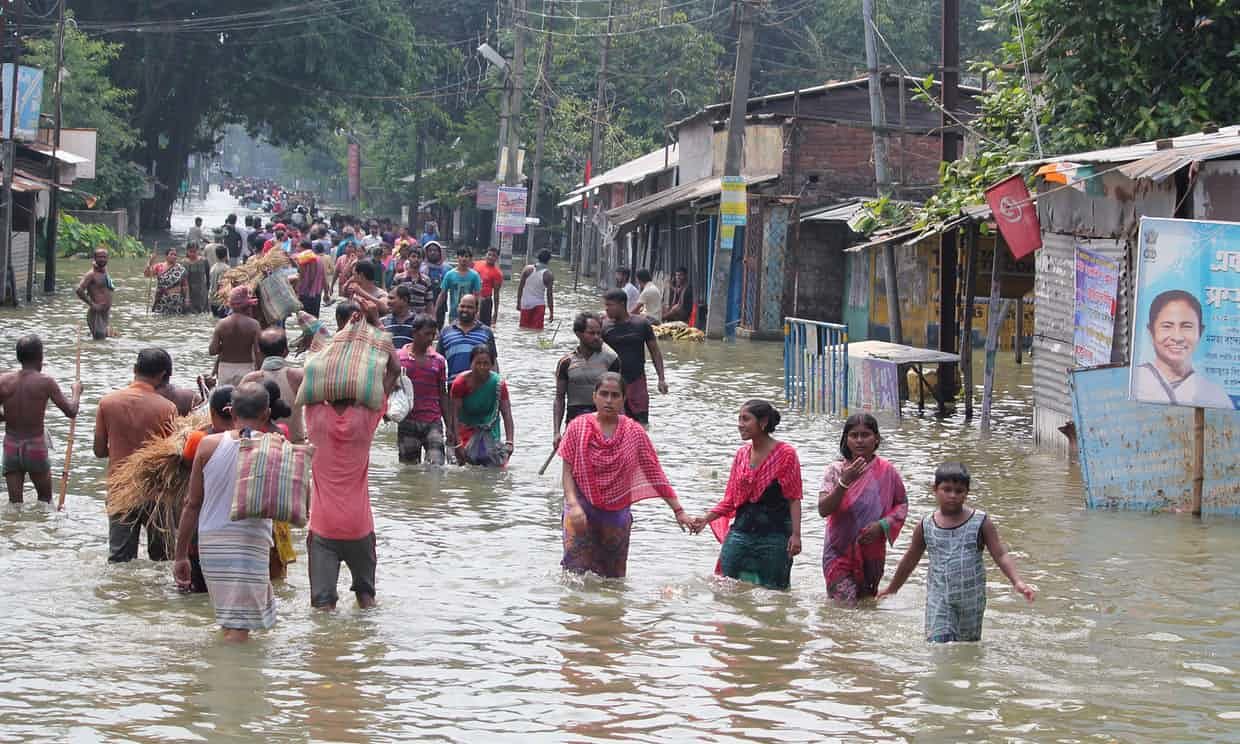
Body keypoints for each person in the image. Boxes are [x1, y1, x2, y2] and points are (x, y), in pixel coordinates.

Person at [305, 300, 399, 611]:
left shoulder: (315, 417)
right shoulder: (366, 418)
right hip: (360, 526)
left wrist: (329, 333)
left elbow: (315, 364)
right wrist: (375, 324)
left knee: (322, 608)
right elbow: (393, 370)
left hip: (322, 527)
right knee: (367, 600)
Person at [879, 463, 1036, 642]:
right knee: (939, 645)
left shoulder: (980, 522)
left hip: (971, 599)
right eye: (947, 489)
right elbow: (910, 560)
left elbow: (1000, 554)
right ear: (935, 489)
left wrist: (1017, 581)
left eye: (959, 491)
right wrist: (893, 588)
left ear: (966, 493)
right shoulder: (925, 525)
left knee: (966, 648)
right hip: (940, 599)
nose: (952, 495)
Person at [558, 373, 692, 577]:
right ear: (594, 396)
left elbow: (655, 474)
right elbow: (567, 472)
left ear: (624, 399)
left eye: (615, 395)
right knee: (573, 574)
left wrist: (678, 510)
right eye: (604, 394)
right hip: (581, 509)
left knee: (612, 579)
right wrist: (573, 504)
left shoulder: (634, 432)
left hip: (616, 514)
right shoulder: (578, 427)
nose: (609, 400)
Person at [172, 383, 277, 641]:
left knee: (229, 622)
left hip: (212, 543)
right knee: (240, 629)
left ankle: (219, 673)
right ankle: (231, 679)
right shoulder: (275, 446)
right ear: (266, 413)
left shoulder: (207, 445)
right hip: (251, 543)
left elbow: (191, 503)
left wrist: (180, 554)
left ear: (231, 411)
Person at [688, 401, 802, 590]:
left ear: (763, 422)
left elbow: (794, 497)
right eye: (739, 418)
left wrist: (796, 536)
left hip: (775, 537)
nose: (740, 424)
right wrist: (705, 519)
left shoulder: (786, 454)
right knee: (723, 587)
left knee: (774, 594)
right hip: (741, 532)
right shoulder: (741, 455)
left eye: (746, 419)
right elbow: (731, 500)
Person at [94, 349, 179, 562]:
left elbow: (99, 451)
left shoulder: (108, 402)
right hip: (156, 492)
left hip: (120, 490)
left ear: (134, 370)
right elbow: (172, 456)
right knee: (163, 559)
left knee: (120, 560)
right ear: (162, 375)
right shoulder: (167, 408)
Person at [817, 413, 908, 605]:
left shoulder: (887, 471)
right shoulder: (835, 470)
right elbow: (823, 509)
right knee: (842, 607)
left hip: (872, 551)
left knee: (867, 606)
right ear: (846, 439)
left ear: (876, 439)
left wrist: (882, 526)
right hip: (837, 551)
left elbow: (901, 505)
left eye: (865, 435)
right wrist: (844, 482)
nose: (859, 440)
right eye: (854, 435)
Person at [0, 336, 82, 503]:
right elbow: (71, 411)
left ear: (18, 357)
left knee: (15, 504)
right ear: (40, 356)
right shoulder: (45, 382)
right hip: (35, 447)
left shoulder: (3, 380)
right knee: (45, 501)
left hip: (11, 447)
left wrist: (8, 417)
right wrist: (76, 391)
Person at [1131, 289, 1234, 408]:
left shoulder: (1216, 395)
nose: (1177, 337)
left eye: (1187, 326)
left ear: (1200, 332)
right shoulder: (1134, 382)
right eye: (1167, 326)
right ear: (1151, 332)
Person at [553, 311, 621, 451]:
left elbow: (618, 396)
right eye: (591, 333)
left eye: (599, 333)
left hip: (604, 421)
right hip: (575, 422)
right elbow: (559, 398)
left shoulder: (611, 358)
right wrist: (556, 432)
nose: (597, 337)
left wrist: (621, 428)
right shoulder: (566, 362)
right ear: (578, 334)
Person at [601, 288, 668, 425]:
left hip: (637, 382)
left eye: (610, 305)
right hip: (613, 384)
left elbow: (655, 352)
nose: (606, 309)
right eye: (605, 305)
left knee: (641, 423)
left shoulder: (641, 324)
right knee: (615, 424)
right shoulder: (604, 327)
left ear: (621, 304)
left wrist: (661, 379)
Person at [396, 314, 455, 465]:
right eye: (427, 334)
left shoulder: (439, 360)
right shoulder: (399, 358)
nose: (430, 338)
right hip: (407, 421)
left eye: (433, 335)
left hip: (433, 421)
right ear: (414, 333)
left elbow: (443, 394)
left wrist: (449, 426)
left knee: (436, 468)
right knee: (408, 470)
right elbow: (391, 388)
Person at [450, 345, 514, 467]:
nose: (482, 367)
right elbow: (454, 416)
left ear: (492, 365)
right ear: (471, 364)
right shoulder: (461, 383)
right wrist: (457, 443)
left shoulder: (498, 384)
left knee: (494, 468)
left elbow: (506, 413)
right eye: (478, 363)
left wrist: (510, 442)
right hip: (466, 432)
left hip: (490, 431)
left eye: (486, 363)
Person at [241, 328, 306, 443]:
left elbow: (239, 417)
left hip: (258, 447)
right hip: (294, 446)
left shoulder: (250, 379)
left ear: (259, 352)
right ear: (286, 351)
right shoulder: (298, 376)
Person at [437, 294, 498, 380]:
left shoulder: (486, 332)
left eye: (469, 307)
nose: (465, 310)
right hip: (454, 386)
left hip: (480, 387)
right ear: (458, 307)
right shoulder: (446, 332)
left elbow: (493, 363)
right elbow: (438, 363)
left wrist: (496, 385)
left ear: (476, 310)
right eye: (462, 306)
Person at [209, 287, 261, 386]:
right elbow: (258, 352)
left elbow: (212, 351)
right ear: (247, 306)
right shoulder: (254, 325)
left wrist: (224, 346)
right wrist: (260, 372)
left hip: (225, 369)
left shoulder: (222, 324)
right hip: (246, 369)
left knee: (224, 398)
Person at [76, 247, 114, 340]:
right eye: (100, 257)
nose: (102, 259)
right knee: (100, 340)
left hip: (105, 313)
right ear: (95, 258)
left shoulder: (104, 271)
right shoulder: (91, 274)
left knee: (102, 340)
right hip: (96, 313)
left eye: (105, 257)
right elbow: (79, 290)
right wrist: (92, 304)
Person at [436, 247, 482, 325]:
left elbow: (477, 295)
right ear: (457, 257)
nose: (464, 259)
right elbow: (442, 294)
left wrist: (478, 312)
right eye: (461, 256)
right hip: (454, 313)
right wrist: (435, 310)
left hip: (470, 313)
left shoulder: (474, 275)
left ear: (470, 259)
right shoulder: (449, 275)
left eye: (466, 256)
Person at [516, 250, 555, 330]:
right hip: (539, 305)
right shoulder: (549, 275)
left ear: (538, 257)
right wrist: (551, 312)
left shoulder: (527, 269)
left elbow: (520, 287)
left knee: (523, 329)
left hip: (526, 304)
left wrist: (518, 302)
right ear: (548, 260)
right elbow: (549, 296)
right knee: (537, 331)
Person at [146, 248, 189, 314]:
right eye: (171, 254)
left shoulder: (181, 269)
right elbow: (147, 274)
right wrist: (150, 262)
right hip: (161, 299)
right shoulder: (159, 266)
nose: (174, 256)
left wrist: (186, 299)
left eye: (175, 255)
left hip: (176, 301)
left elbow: (185, 286)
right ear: (166, 256)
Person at [474, 247, 504, 326]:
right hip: (473, 299)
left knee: (484, 326)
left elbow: (496, 294)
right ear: (485, 255)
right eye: (489, 254)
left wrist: (496, 313)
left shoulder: (497, 273)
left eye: (493, 256)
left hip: (485, 302)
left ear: (497, 258)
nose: (490, 257)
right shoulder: (476, 264)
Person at [381, 284, 418, 350]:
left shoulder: (418, 322)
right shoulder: (383, 322)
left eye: (391, 298)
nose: (388, 302)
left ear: (404, 300)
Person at [296, 239, 326, 318]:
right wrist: (326, 292)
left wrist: (297, 291)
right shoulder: (319, 259)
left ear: (303, 248)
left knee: (305, 321)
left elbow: (302, 276)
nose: (296, 249)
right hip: (317, 294)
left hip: (306, 294)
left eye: (298, 247)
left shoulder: (304, 258)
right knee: (314, 319)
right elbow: (324, 277)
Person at [423, 241, 449, 326]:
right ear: (426, 253)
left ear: (440, 253)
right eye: (430, 250)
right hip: (424, 305)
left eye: (435, 250)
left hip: (441, 306)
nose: (432, 253)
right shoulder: (421, 268)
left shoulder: (447, 269)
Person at [184, 243, 210, 313]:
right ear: (187, 251)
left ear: (198, 251)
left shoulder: (204, 261)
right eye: (190, 252)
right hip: (189, 291)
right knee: (190, 312)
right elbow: (183, 280)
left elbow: (208, 277)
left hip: (202, 290)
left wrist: (208, 290)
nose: (192, 254)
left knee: (202, 311)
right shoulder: (184, 263)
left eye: (194, 252)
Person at [208, 245, 230, 318]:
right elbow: (221, 285)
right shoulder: (226, 268)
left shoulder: (213, 267)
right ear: (226, 255)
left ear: (216, 255)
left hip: (212, 299)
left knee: (215, 320)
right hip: (220, 301)